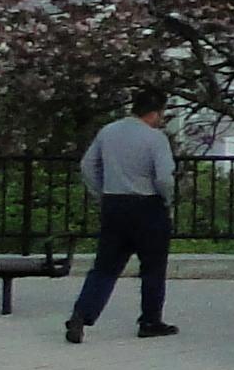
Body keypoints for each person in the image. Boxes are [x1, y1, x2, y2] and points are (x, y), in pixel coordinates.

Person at [65, 90, 179, 344]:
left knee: (105, 267)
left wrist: (101, 192)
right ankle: (150, 321)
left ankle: (81, 315)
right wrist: (167, 199)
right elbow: (163, 177)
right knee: (152, 267)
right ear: (155, 113)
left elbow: (87, 165)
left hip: (114, 204)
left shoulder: (109, 131)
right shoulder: (155, 138)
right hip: (148, 206)